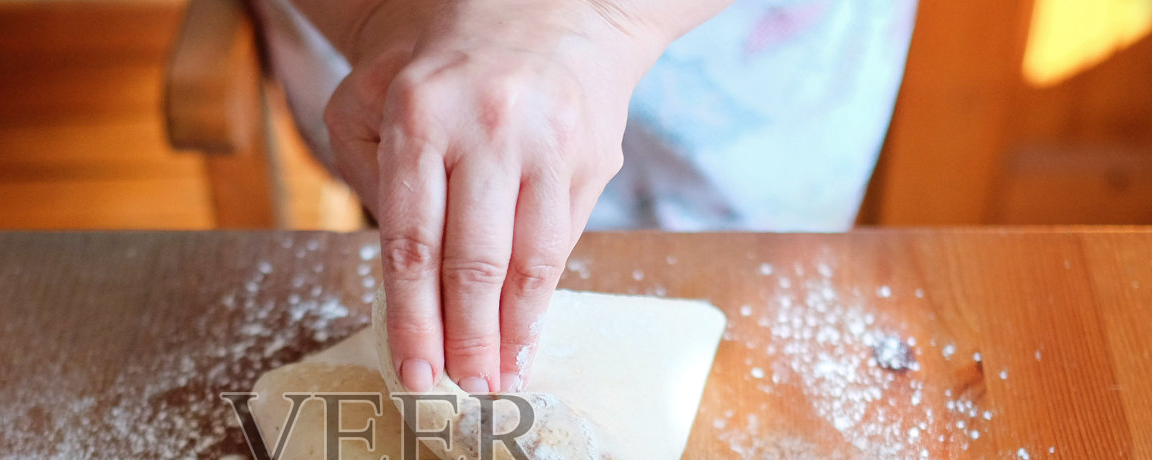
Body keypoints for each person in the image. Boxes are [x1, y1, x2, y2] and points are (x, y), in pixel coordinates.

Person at [252, 0, 917, 394]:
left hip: (738, 76)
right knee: (452, 219)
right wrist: (377, 16)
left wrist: (609, 19)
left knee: (738, 333)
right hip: (391, 37)